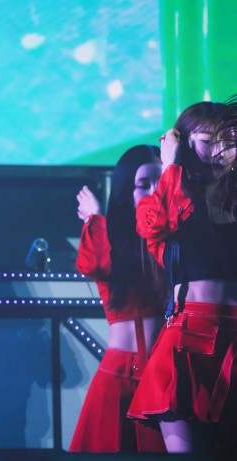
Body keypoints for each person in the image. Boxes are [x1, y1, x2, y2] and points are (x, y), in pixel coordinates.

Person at [127, 100, 237, 458]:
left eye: (229, 141)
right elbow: (155, 224)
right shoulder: (166, 200)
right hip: (189, 340)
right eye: (209, 141)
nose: (221, 151)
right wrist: (170, 165)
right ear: (183, 142)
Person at [68, 145, 168, 452]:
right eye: (143, 184)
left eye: (160, 182)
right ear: (127, 190)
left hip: (162, 375)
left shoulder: (172, 239)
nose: (154, 191)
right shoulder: (110, 236)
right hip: (118, 377)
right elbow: (94, 265)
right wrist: (94, 218)